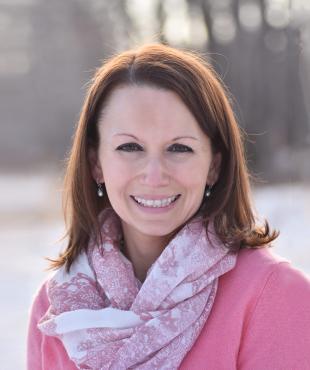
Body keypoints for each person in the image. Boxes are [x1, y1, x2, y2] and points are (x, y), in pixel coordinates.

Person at [27, 44, 310, 370]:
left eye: (179, 148)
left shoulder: (273, 297)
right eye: (130, 147)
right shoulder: (58, 308)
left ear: (214, 166)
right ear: (96, 164)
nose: (154, 175)